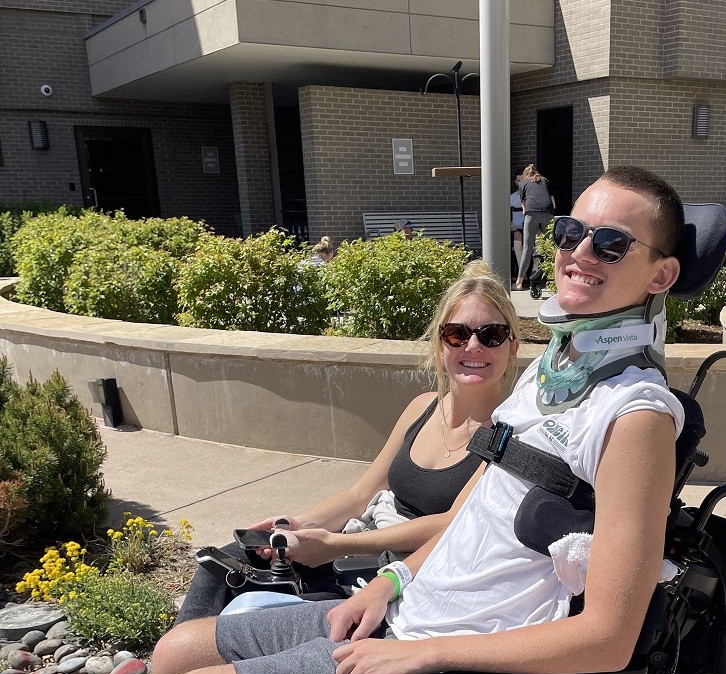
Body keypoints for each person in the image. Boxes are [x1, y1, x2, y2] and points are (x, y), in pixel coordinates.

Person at [46, 166, 685, 674]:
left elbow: (610, 637)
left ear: (661, 276)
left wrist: (425, 656)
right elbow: (474, 511)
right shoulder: (547, 378)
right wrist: (389, 580)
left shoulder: (635, 415)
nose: (579, 252)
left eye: (611, 244)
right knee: (178, 650)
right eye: (570, 231)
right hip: (411, 617)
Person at [173, 262, 522, 624]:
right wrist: (299, 523)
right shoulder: (423, 407)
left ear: (512, 349)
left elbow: (452, 524)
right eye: (457, 334)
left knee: (265, 621)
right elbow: (359, 495)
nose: (474, 345)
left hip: (409, 575)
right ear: (439, 346)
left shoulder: (510, 432)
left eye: (491, 335)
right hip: (364, 547)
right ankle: (173, 659)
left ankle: (185, 667)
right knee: (228, 560)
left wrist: (334, 546)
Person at [514, 163, 556, 295]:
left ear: (526, 175)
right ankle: (555, 281)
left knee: (527, 248)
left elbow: (524, 208)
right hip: (548, 213)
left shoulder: (523, 184)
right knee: (551, 248)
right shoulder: (545, 180)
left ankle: (519, 283)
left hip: (531, 214)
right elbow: (553, 203)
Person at [509, 171, 524, 278]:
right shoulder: (512, 197)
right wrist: (511, 225)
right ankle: (521, 271)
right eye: (519, 181)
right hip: (516, 228)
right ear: (516, 182)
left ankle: (535, 270)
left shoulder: (531, 196)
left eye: (523, 180)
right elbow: (505, 213)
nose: (521, 183)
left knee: (539, 236)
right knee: (518, 236)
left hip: (529, 227)